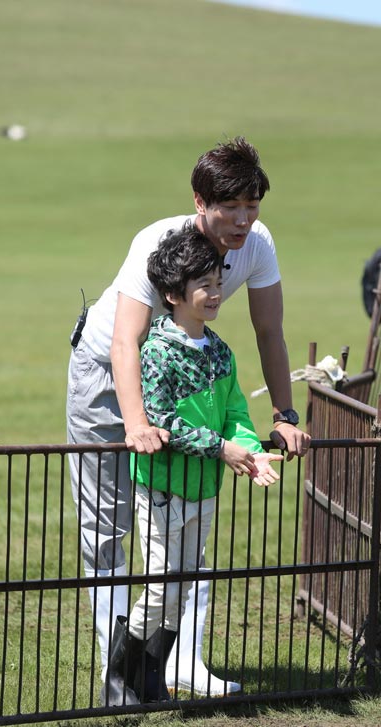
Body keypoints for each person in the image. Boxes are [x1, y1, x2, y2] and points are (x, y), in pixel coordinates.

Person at [66, 136, 311, 700]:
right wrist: (137, 423)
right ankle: (121, 669)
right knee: (108, 528)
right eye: (232, 207)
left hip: (190, 376)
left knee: (188, 540)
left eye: (253, 206)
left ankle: (180, 663)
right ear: (200, 201)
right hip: (106, 373)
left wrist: (284, 412)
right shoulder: (157, 240)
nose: (244, 220)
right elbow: (128, 342)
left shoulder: (258, 243)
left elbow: (268, 331)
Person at [102, 224, 284, 705]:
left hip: (203, 489)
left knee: (182, 590)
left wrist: (250, 450)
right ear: (171, 295)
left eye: (218, 284)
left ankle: (150, 678)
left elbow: (236, 415)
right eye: (203, 285)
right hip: (163, 486)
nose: (215, 293)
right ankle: (119, 673)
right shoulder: (158, 352)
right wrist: (223, 449)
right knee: (162, 587)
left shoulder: (221, 352)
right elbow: (159, 420)